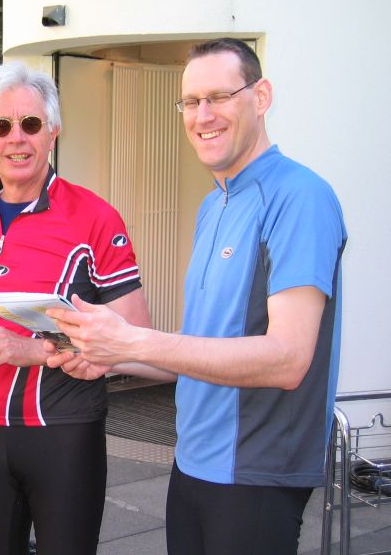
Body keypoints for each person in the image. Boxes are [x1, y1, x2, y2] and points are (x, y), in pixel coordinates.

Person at [45, 38, 347, 555]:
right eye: (191, 102)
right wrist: (114, 355)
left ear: (261, 96)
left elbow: (288, 359)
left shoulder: (300, 198)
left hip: (256, 473)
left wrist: (133, 341)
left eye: (220, 96)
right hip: (191, 464)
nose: (202, 115)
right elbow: (200, 349)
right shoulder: (214, 206)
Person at [0, 61, 152, 555]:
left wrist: (30, 349)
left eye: (30, 124)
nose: (17, 138)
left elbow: (138, 338)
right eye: (1, 126)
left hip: (64, 434)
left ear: (52, 131)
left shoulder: (95, 218)